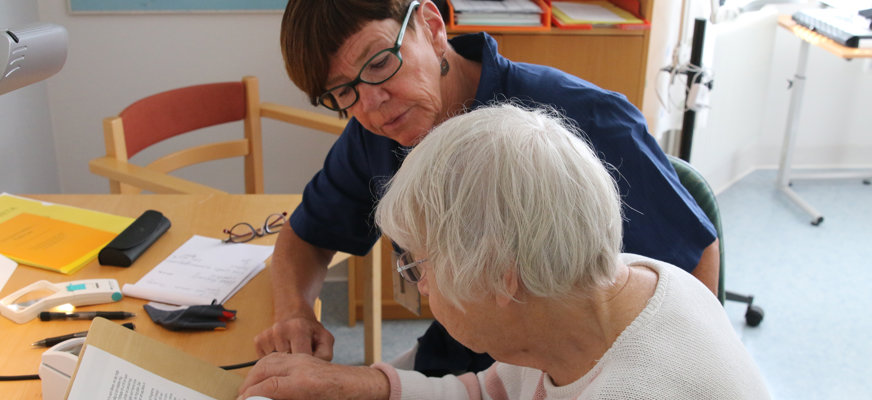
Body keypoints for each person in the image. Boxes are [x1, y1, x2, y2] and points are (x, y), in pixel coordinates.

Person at [255, 0, 720, 375]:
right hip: (469, 357)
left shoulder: (581, 118)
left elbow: (693, 258)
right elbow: (306, 235)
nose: (372, 104)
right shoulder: (376, 135)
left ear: (433, 28)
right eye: (342, 93)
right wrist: (294, 311)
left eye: (379, 63)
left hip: (578, 369)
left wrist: (658, 375)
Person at [238, 104, 770, 400]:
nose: (419, 287)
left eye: (421, 265)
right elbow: (490, 394)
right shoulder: (609, 287)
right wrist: (364, 386)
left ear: (501, 276)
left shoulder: (638, 388)